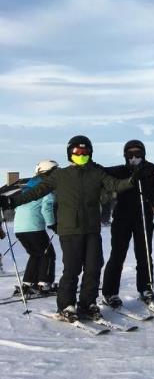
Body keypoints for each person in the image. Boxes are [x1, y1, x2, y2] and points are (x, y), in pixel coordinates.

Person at [8, 136, 134, 322]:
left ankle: (88, 304)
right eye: (77, 152)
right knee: (72, 269)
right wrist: (11, 201)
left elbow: (115, 185)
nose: (81, 155)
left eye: (85, 152)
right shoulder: (60, 175)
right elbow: (36, 192)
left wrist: (134, 179)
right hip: (69, 230)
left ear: (90, 153)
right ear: (70, 153)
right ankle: (66, 305)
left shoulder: (97, 173)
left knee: (93, 267)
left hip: (92, 229)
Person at [101, 140, 154, 307]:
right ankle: (110, 292)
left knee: (144, 255)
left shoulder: (151, 172)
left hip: (143, 218)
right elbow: (100, 171)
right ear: (125, 156)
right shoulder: (120, 171)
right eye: (130, 154)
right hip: (122, 219)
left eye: (138, 154)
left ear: (144, 155)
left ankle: (145, 288)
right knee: (117, 255)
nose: (135, 157)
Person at [12, 160, 58, 296]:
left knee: (36, 254)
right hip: (34, 228)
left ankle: (28, 283)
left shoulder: (27, 187)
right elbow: (46, 208)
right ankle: (44, 283)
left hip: (19, 228)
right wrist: (52, 224)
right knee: (48, 254)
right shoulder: (45, 187)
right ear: (49, 172)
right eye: (55, 171)